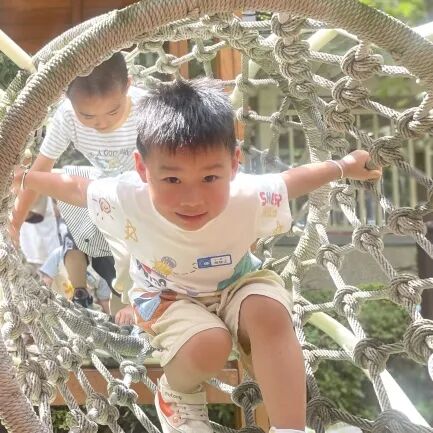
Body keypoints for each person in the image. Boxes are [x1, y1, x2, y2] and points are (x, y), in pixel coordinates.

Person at [16, 78, 382, 433]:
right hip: (166, 296)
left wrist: (345, 166)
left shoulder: (247, 193)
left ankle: (289, 428)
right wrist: (23, 177)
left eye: (209, 178)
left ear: (234, 164)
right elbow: (75, 187)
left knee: (269, 310)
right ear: (142, 169)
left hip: (237, 281)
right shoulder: (127, 195)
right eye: (172, 180)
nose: (192, 199)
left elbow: (292, 180)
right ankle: (176, 392)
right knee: (209, 342)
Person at [11, 52, 139, 323]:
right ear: (67, 98)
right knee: (68, 178)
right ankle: (85, 290)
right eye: (88, 115)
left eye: (113, 111)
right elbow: (38, 173)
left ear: (128, 85)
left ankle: (129, 300)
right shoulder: (67, 117)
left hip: (144, 191)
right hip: (102, 194)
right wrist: (15, 225)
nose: (101, 123)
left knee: (136, 263)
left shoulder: (145, 108)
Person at [39, 245, 111, 314]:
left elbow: (104, 301)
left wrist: (110, 318)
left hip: (88, 311)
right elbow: (45, 284)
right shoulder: (59, 254)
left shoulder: (102, 265)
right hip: (59, 308)